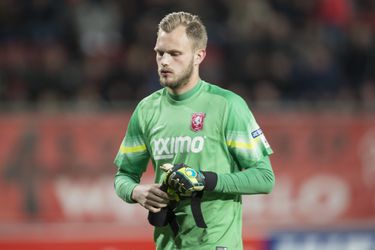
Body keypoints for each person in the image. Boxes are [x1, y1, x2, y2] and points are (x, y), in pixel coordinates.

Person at [114, 11, 275, 250]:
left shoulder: (227, 105)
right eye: (160, 53)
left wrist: (205, 180)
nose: (164, 61)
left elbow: (264, 179)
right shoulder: (146, 110)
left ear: (199, 55)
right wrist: (137, 191)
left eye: (175, 54)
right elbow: (123, 177)